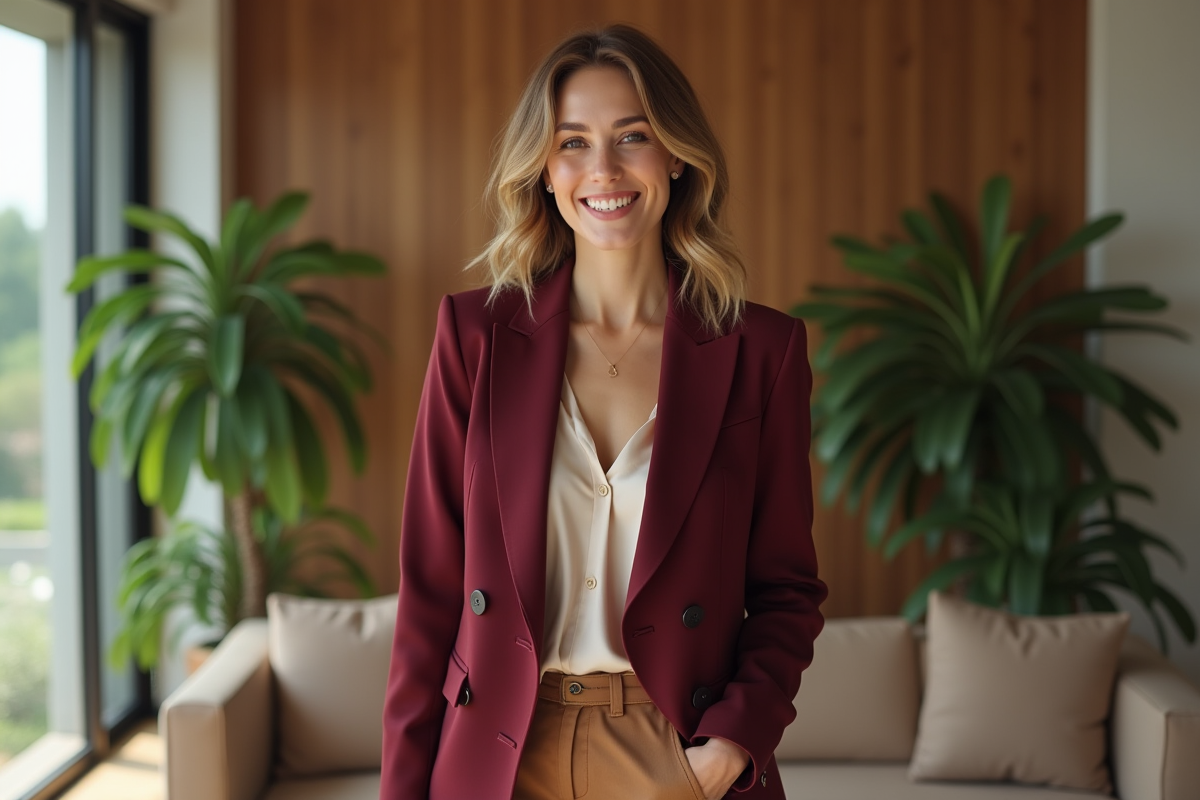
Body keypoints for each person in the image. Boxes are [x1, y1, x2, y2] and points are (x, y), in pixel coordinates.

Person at [381, 24, 826, 800]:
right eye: (573, 143)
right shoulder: (474, 336)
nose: (604, 170)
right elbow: (429, 592)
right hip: (499, 752)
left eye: (633, 137)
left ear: (678, 155)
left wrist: (726, 749)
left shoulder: (762, 350)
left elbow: (788, 591)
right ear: (545, 172)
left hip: (674, 751)